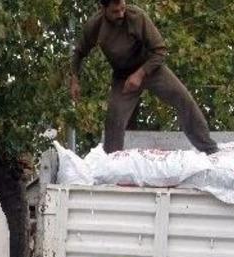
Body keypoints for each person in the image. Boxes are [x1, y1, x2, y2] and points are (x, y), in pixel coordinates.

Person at [70, 0, 219, 155]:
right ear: (103, 9)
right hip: (123, 76)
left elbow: (160, 50)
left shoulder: (137, 16)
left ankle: (209, 149)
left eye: (123, 9)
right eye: (115, 12)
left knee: (184, 99)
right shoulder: (94, 26)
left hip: (151, 67)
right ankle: (112, 160)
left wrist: (140, 74)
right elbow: (79, 53)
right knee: (114, 118)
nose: (121, 14)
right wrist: (74, 79)